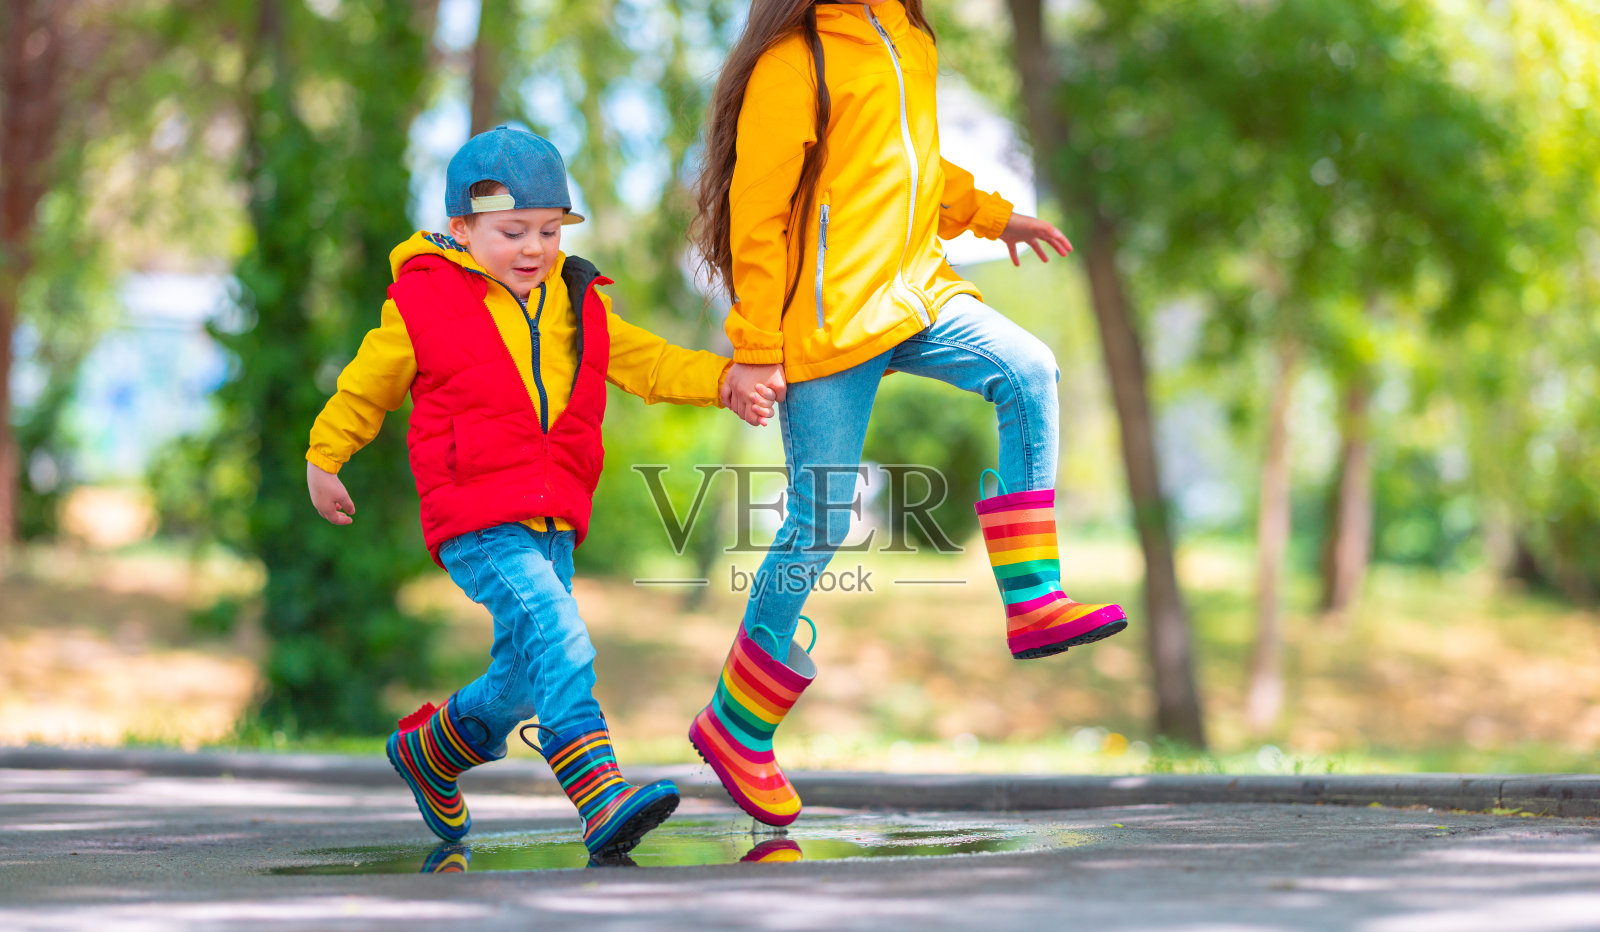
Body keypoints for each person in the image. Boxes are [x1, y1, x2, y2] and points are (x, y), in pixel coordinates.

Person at [686, 0, 1129, 827]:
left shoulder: (910, 35)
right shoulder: (796, 61)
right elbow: (758, 211)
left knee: (1029, 369)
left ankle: (1033, 596)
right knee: (817, 520)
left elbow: (917, 168)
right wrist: (754, 343)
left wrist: (995, 216)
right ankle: (735, 722)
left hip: (918, 295)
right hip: (827, 323)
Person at [305, 126, 772, 857]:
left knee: (524, 673)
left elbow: (645, 361)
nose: (533, 248)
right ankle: (599, 794)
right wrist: (325, 455)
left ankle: (435, 749)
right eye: (511, 231)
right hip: (476, 515)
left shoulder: (573, 301)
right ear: (461, 230)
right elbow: (369, 382)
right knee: (559, 634)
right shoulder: (424, 303)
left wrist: (723, 379)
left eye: (549, 231)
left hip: (552, 517)